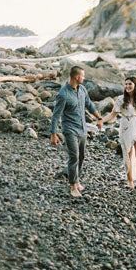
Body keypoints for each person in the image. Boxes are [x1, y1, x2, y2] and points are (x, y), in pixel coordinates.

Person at [49, 65, 103, 198]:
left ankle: (77, 181)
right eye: (83, 76)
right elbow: (56, 115)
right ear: (76, 77)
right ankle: (73, 186)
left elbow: (89, 104)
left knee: (81, 157)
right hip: (70, 130)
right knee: (74, 157)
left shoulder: (82, 89)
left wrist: (99, 117)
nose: (84, 78)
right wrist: (53, 134)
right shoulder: (63, 94)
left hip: (82, 129)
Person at [101, 76, 136, 191]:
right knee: (128, 154)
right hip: (126, 126)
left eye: (130, 84)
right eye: (126, 84)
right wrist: (101, 120)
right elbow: (113, 115)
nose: (127, 86)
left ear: (135, 85)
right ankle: (130, 181)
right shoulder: (120, 99)